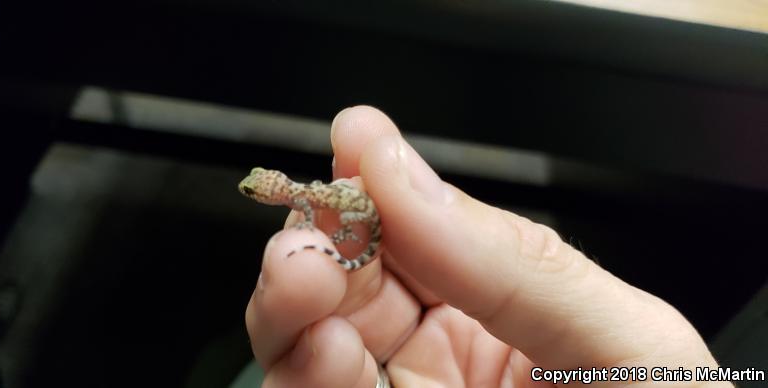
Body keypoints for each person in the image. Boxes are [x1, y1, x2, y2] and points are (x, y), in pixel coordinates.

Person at [244, 106, 727, 387]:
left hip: (364, 224)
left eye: (253, 190)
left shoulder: (309, 207)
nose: (252, 192)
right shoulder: (307, 199)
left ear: (271, 190)